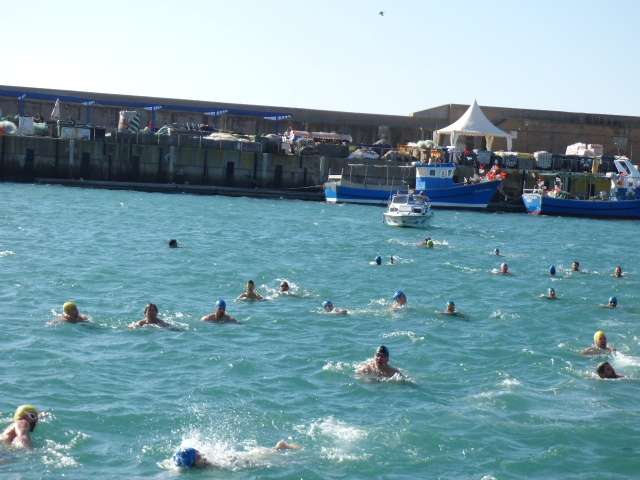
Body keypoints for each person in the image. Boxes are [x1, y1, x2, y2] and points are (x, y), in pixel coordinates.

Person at [173, 441, 300, 469]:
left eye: (198, 454)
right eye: (198, 456)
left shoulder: (206, 464)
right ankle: (278, 447)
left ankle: (280, 447)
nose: (200, 456)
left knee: (267, 461)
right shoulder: (197, 462)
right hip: (234, 457)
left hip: (238, 460)